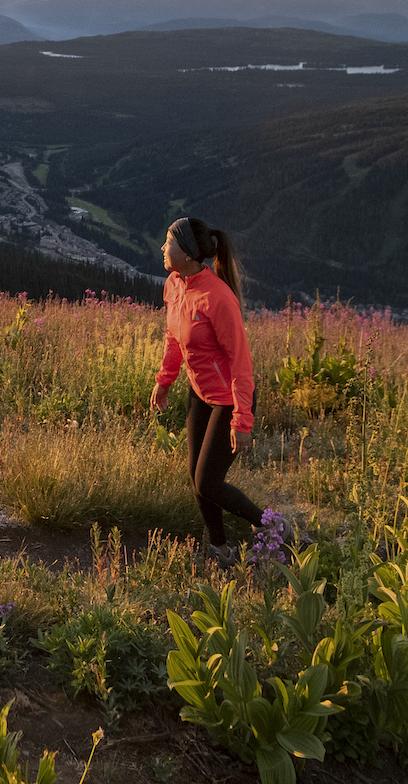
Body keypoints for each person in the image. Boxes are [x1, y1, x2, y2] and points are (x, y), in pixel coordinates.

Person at [148, 216, 275, 566]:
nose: (163, 248)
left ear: (188, 252)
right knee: (197, 478)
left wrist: (242, 419)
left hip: (230, 399)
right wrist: (164, 380)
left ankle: (271, 525)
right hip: (200, 393)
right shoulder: (174, 284)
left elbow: (241, 363)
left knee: (208, 483)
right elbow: (174, 338)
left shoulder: (218, 298)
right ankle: (221, 550)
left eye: (169, 242)